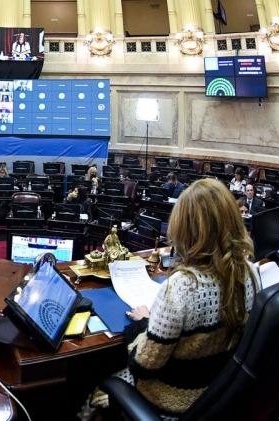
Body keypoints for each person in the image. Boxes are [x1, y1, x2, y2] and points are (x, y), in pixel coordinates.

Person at [85, 178, 258, 418]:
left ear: (186, 230)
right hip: (215, 395)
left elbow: (143, 366)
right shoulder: (249, 273)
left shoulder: (181, 287)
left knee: (92, 387)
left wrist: (143, 323)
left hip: (170, 403)